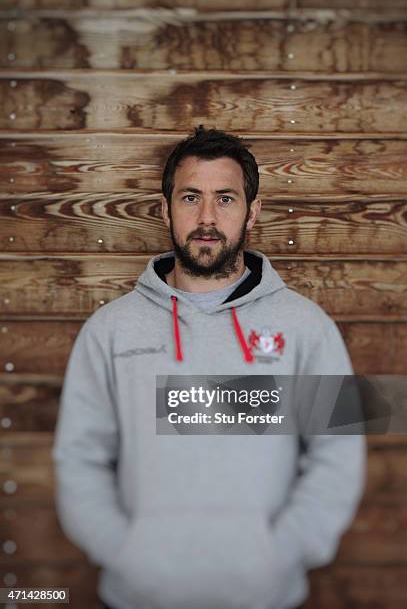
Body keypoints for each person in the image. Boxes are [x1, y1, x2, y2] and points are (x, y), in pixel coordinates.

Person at [52, 126, 366, 609]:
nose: (206, 217)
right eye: (190, 197)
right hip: (139, 595)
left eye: (225, 198)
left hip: (264, 595)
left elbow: (338, 452)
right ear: (164, 209)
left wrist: (279, 554)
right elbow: (79, 458)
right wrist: (127, 553)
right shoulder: (110, 331)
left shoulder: (306, 328)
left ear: (252, 212)